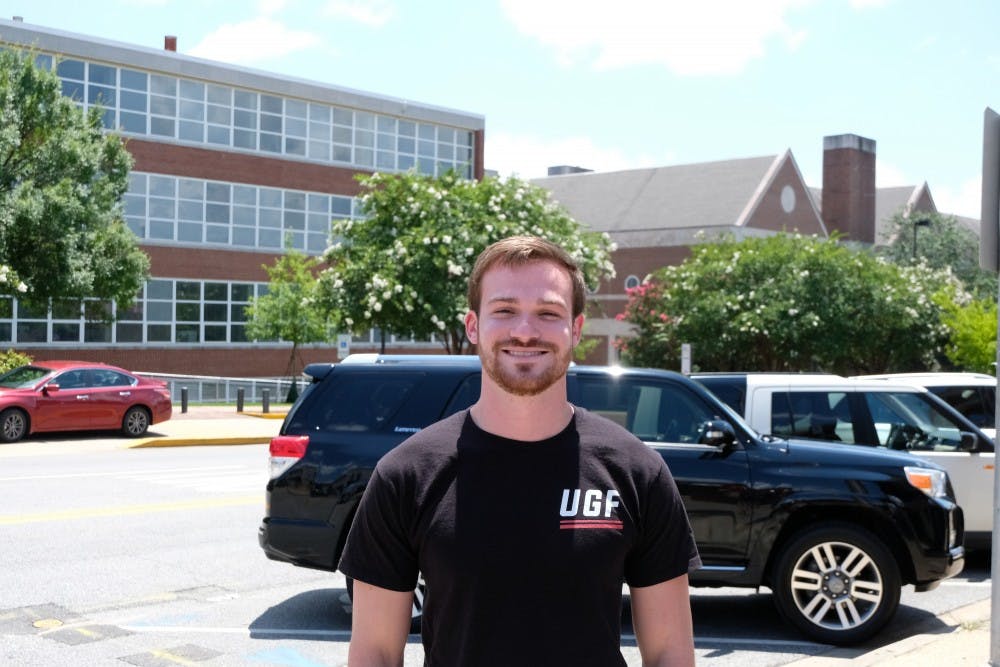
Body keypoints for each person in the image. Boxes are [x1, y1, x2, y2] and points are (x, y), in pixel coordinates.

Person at [339, 235, 701, 666]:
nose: (525, 331)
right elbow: (375, 653)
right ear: (473, 325)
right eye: (505, 310)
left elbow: (669, 653)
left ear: (576, 329)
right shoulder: (406, 475)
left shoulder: (637, 471)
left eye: (548, 313)